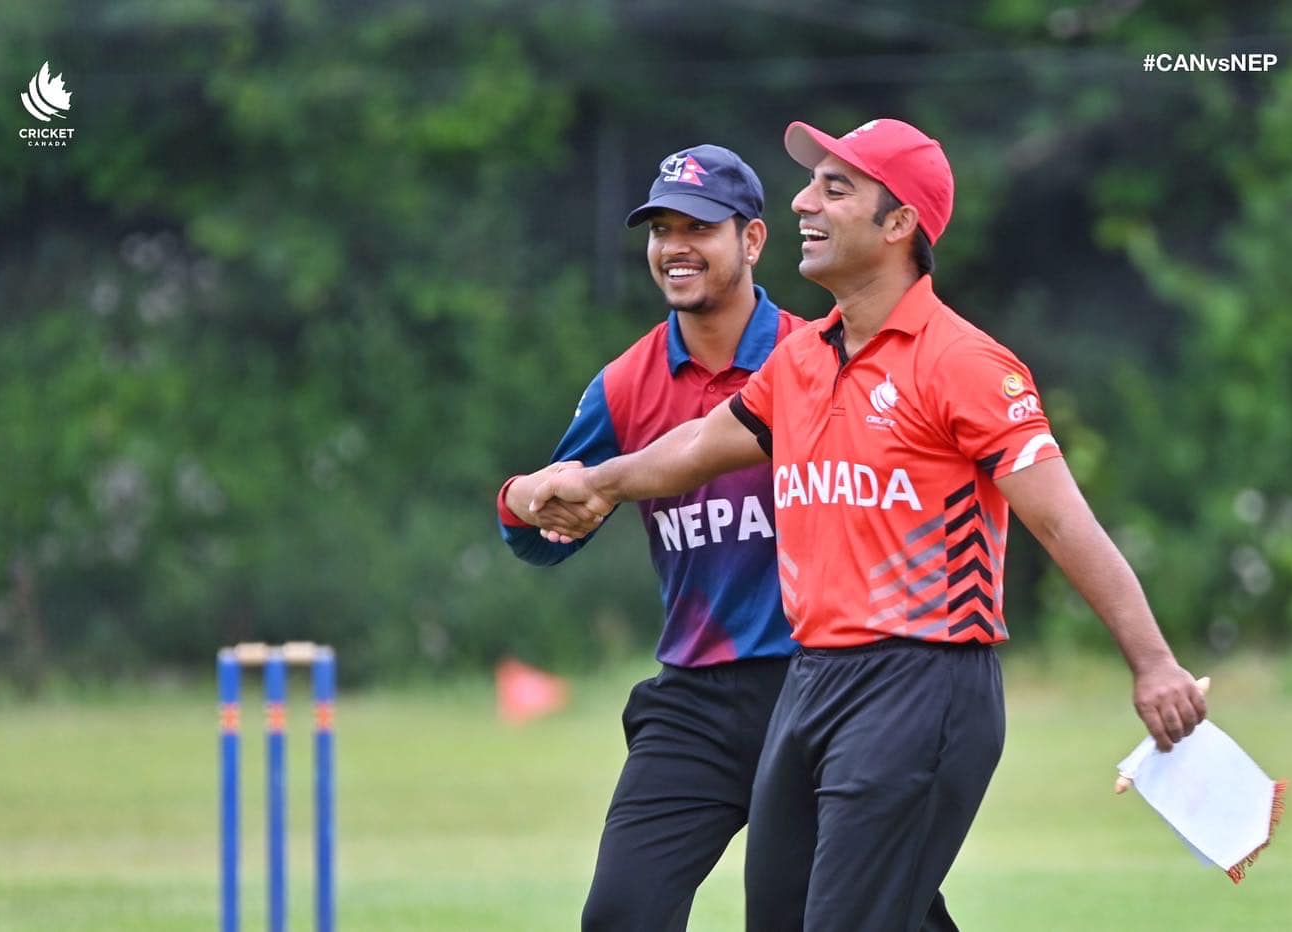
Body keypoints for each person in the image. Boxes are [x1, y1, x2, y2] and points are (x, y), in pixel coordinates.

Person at [526, 118, 1208, 932]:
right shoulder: (803, 358)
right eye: (811, 183)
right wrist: (593, 483)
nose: (803, 202)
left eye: (833, 188)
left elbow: (1064, 525)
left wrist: (1153, 663)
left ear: (898, 224)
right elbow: (694, 450)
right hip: (814, 682)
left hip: (923, 682)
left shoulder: (965, 363)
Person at [495, 143, 807, 931]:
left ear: (752, 240)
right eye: (660, 228)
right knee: (619, 916)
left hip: (816, 691)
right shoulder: (626, 384)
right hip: (694, 702)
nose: (675, 247)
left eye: (698, 227)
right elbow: (544, 534)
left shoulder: (817, 356)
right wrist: (525, 495)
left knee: (853, 911)